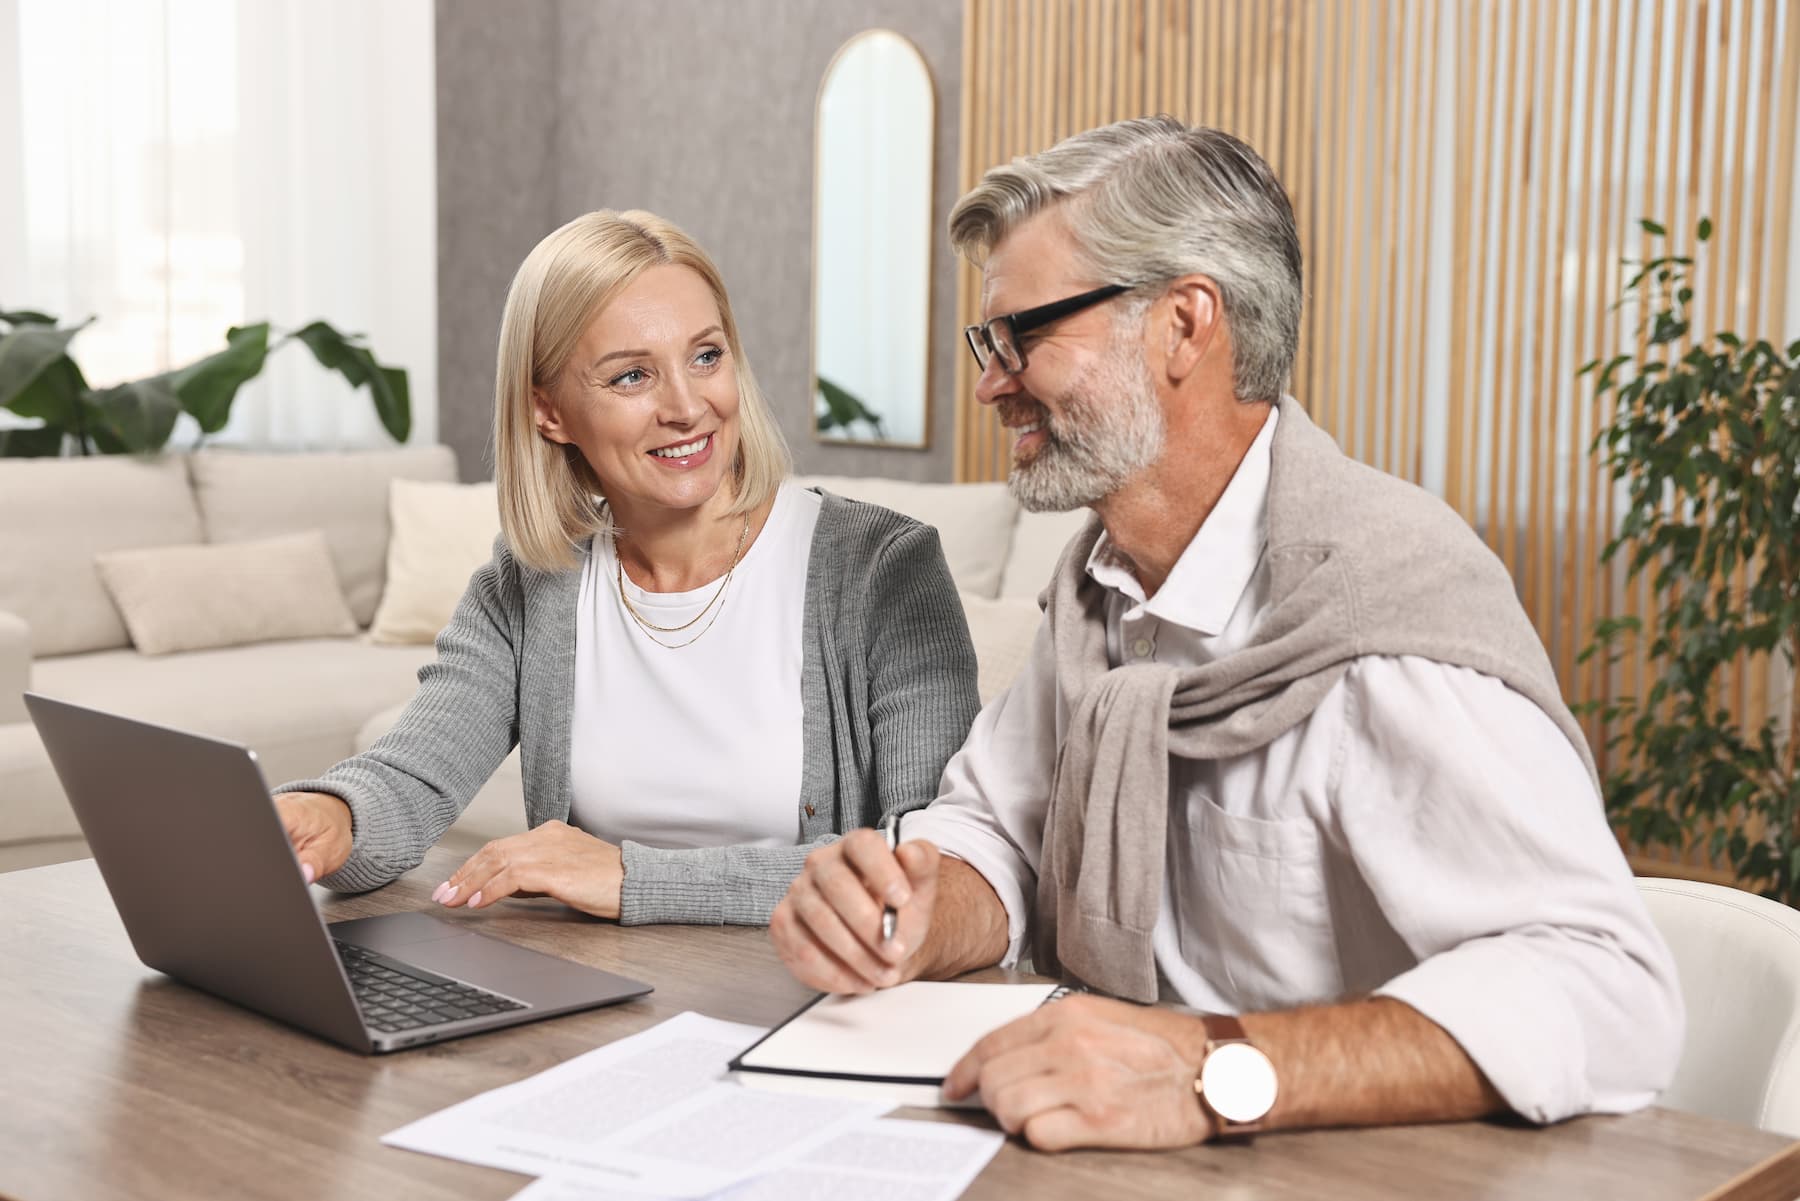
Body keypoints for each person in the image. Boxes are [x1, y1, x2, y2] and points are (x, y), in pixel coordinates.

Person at [770, 118, 1683, 1150]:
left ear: (1184, 325)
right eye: (991, 342)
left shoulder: (1382, 615)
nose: (991, 380)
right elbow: (999, 831)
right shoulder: (1097, 589)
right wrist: (909, 910)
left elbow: (1610, 990)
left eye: (1022, 335)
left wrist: (1210, 1071)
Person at [276, 209, 979, 926]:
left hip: (810, 1005)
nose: (686, 406)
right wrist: (330, 812)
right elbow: (412, 779)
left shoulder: (885, 569)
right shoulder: (532, 582)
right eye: (633, 375)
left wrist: (632, 877)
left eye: (706, 356)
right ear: (549, 412)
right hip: (598, 998)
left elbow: (928, 863)